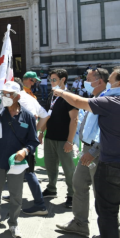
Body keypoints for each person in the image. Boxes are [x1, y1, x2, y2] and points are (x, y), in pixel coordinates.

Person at [53, 66, 120, 238]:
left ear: (100, 81)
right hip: (89, 149)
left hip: (100, 153)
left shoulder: (111, 101)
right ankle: (80, 223)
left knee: (104, 197)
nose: (85, 83)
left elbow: (103, 130)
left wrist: (94, 150)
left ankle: (115, 230)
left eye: (88, 80)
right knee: (79, 183)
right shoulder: (101, 98)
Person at [0, 81, 39, 238]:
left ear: (17, 96)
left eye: (8, 94)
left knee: (16, 195)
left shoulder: (27, 116)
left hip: (17, 163)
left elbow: (33, 140)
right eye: (3, 94)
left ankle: (13, 223)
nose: (5, 97)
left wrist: (25, 150)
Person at [3, 78, 49, 216]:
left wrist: (31, 133)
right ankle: (14, 195)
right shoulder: (29, 98)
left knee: (28, 173)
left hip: (22, 144)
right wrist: (35, 131)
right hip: (23, 141)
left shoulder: (19, 100)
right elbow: (45, 115)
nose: (5, 95)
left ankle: (40, 204)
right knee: (16, 170)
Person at [40, 69, 78, 208]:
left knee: (68, 169)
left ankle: (72, 195)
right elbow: (46, 116)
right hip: (50, 138)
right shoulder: (52, 95)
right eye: (50, 79)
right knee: (50, 166)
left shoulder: (70, 96)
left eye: (54, 79)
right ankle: (51, 188)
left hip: (64, 139)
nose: (51, 82)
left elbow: (74, 119)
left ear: (63, 80)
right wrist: (41, 132)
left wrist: (70, 141)